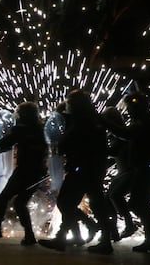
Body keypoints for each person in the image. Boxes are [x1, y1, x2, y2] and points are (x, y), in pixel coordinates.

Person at [39, 89, 113, 254]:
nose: (68, 106)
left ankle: (89, 228)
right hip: (92, 168)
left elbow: (67, 143)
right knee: (90, 203)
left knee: (65, 202)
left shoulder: (83, 122)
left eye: (70, 103)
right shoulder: (91, 119)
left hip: (83, 168)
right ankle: (71, 237)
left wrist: (56, 144)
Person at [104, 91, 150, 252]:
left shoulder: (146, 121)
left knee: (137, 204)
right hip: (145, 168)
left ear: (138, 107)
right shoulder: (143, 120)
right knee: (142, 205)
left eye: (130, 107)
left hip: (148, 168)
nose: (128, 110)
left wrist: (103, 122)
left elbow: (125, 134)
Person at [0, 101, 48, 246]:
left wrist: (4, 132)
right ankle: (29, 236)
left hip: (24, 171)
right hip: (38, 172)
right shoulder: (41, 128)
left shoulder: (20, 129)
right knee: (20, 203)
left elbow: (3, 145)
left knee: (4, 197)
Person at [102, 106, 137, 241]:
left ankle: (129, 224)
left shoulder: (123, 133)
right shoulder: (117, 134)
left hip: (129, 172)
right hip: (122, 172)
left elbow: (114, 151)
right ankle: (113, 231)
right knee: (108, 198)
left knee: (115, 196)